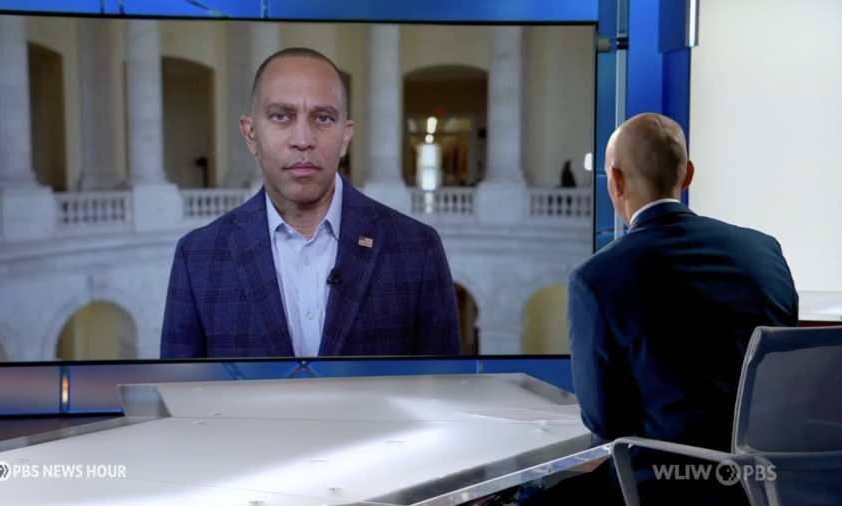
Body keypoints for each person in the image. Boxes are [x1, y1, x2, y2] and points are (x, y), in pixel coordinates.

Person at [529, 113, 798, 505]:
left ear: (616, 182)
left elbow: (605, 421)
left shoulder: (597, 277)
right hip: (763, 486)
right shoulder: (766, 252)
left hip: (660, 486)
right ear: (687, 175)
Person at [160, 47, 462, 359]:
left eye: (322, 118)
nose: (303, 139)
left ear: (345, 137)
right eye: (281, 116)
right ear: (250, 134)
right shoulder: (197, 257)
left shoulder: (418, 249)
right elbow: (179, 397)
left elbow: (442, 395)